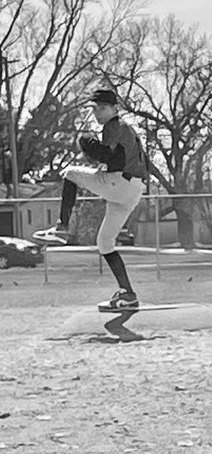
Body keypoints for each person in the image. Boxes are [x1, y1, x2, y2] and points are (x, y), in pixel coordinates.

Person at [33, 88, 149, 310]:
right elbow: (115, 158)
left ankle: (62, 227)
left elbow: (107, 157)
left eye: (103, 108)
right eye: (95, 108)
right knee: (105, 243)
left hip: (121, 183)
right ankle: (128, 294)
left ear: (115, 109)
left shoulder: (115, 125)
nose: (98, 112)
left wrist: (86, 142)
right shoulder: (125, 129)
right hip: (131, 190)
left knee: (70, 174)